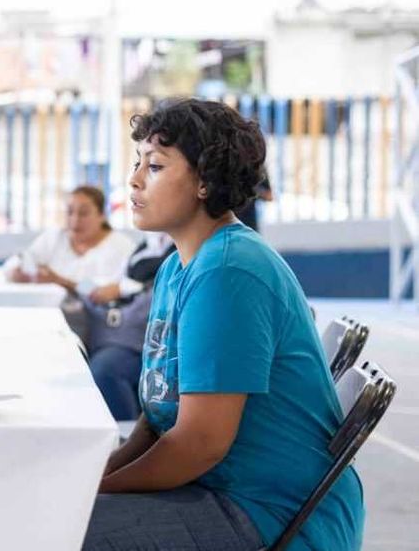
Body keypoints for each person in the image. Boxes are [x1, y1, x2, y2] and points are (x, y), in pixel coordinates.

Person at [83, 98, 363, 550]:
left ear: (205, 181)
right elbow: (157, 417)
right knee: (55, 513)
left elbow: (199, 443)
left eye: (155, 166)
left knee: (56, 531)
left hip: (268, 511)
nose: (134, 179)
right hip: (220, 490)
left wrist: (95, 494)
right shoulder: (177, 267)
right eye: (137, 162)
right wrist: (97, 480)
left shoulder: (228, 271)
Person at [81, 233, 175, 421]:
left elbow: (149, 305)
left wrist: (120, 293)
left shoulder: (181, 251)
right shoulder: (146, 245)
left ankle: (122, 431)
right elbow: (117, 281)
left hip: (143, 339)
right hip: (123, 328)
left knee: (105, 370)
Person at [4, 186, 134, 293]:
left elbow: (106, 292)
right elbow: (15, 264)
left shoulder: (122, 247)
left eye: (83, 213)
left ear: (102, 215)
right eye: (70, 212)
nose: (75, 220)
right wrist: (18, 273)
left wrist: (58, 280)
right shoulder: (54, 238)